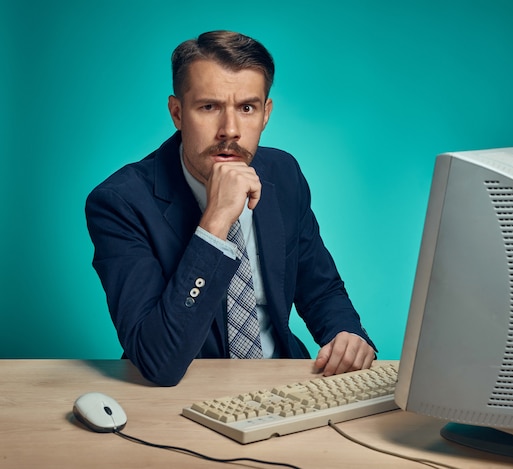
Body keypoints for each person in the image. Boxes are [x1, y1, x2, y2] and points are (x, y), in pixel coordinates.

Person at [85, 30, 376, 386]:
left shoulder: (283, 174)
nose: (230, 130)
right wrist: (215, 222)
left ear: (266, 113)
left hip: (282, 384)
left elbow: (321, 288)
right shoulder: (120, 202)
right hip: (181, 392)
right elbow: (157, 361)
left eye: (247, 108)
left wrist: (347, 333)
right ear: (177, 113)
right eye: (209, 107)